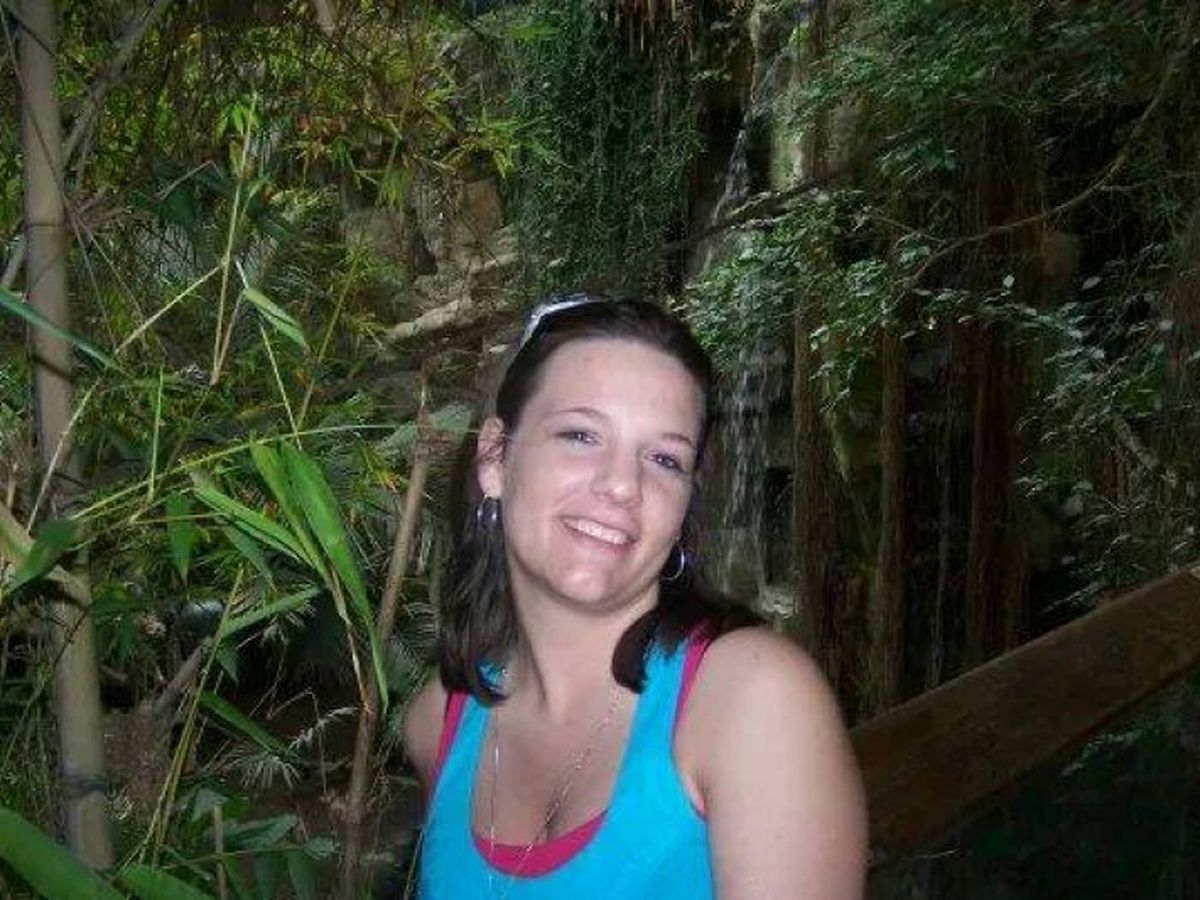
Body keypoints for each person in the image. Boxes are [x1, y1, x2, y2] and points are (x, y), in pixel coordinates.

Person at [403, 296, 866, 899]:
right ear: (496, 458)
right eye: (580, 435)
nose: (623, 484)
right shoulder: (438, 720)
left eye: (665, 459)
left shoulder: (753, 702)